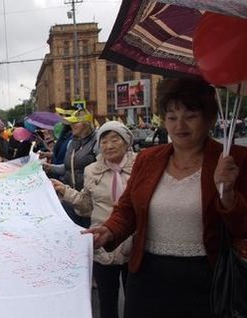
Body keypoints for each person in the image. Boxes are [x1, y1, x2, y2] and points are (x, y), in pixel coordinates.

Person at [84, 78, 247, 317]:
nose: (180, 125)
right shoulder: (148, 158)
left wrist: (229, 192)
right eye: (171, 117)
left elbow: (242, 227)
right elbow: (128, 208)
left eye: (190, 115)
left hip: (208, 280)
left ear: (210, 118)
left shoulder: (233, 160)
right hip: (147, 278)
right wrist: (109, 230)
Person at [52, 121, 136, 318]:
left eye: (115, 139)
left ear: (126, 142)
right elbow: (86, 206)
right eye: (104, 141)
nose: (109, 145)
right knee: (107, 304)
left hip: (136, 244)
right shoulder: (92, 171)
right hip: (102, 244)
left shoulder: (142, 167)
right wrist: (65, 191)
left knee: (135, 304)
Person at [46, 108, 97, 228]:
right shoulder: (71, 144)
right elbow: (69, 167)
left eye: (76, 122)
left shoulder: (97, 142)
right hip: (70, 198)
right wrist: (51, 168)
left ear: (86, 123)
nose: (72, 125)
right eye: (71, 123)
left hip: (90, 202)